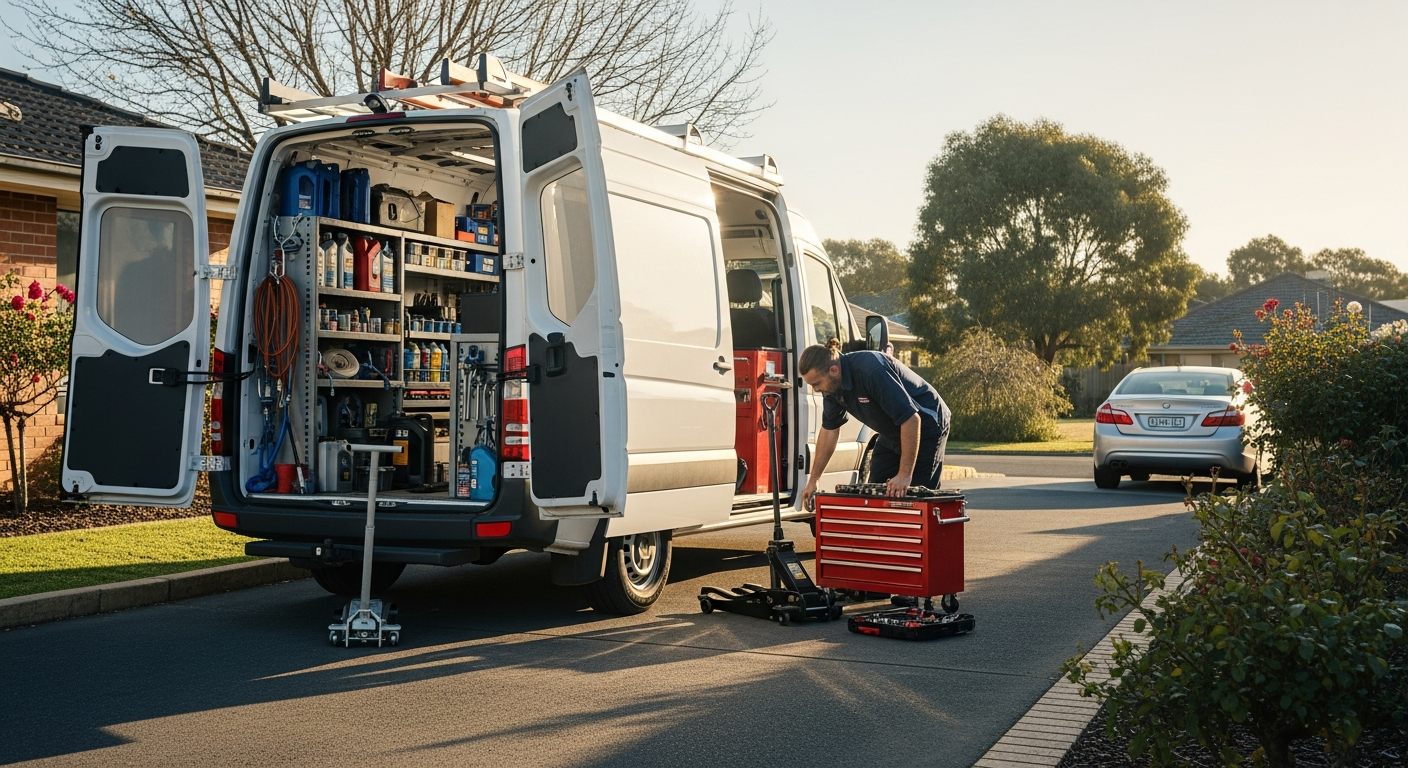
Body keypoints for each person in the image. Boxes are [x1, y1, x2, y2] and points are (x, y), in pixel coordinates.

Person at [799, 339, 950, 510]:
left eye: (816, 384)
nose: (815, 389)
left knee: (916, 499)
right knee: (876, 494)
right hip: (891, 431)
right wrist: (814, 480)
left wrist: (904, 475)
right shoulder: (832, 387)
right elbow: (829, 430)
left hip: (926, 426)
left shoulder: (871, 370)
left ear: (834, 370)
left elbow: (912, 419)